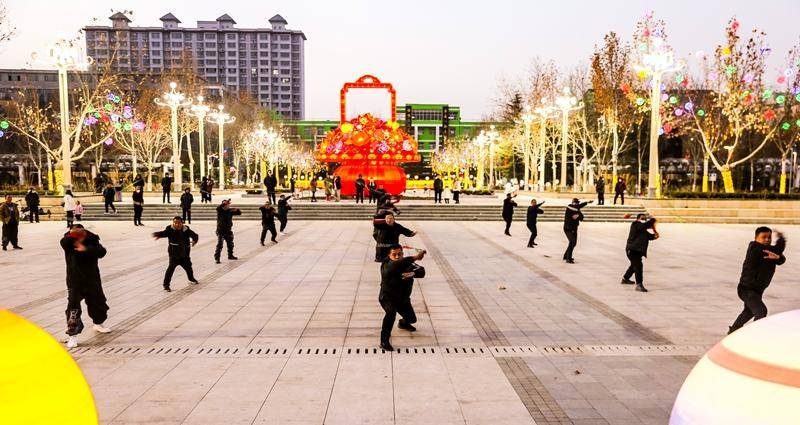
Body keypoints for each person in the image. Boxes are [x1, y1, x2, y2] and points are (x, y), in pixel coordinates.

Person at [728, 227, 787, 334]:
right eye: (763, 237)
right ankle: (755, 335)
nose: (767, 240)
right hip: (746, 289)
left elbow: (781, 259)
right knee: (761, 311)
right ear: (756, 238)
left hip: (757, 290)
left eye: (769, 237)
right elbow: (777, 251)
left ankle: (733, 331)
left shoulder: (768, 250)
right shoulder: (755, 248)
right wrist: (781, 240)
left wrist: (777, 258)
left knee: (748, 312)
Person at [61, 224, 110, 348]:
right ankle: (72, 335)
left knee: (98, 303)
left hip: (92, 279)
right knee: (73, 307)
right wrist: (73, 236)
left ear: (84, 233)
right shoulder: (67, 242)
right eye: (73, 234)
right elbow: (65, 242)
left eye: (79, 235)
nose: (76, 237)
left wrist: (86, 249)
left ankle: (98, 323)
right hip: (75, 280)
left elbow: (102, 252)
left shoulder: (92, 240)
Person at [379, 244, 426, 351]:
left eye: (399, 254)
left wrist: (413, 273)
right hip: (387, 298)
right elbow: (395, 266)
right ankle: (384, 340)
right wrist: (414, 257)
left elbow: (422, 271)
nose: (397, 256)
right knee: (391, 313)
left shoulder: (407, 264)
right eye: (394, 254)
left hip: (403, 300)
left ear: (403, 254)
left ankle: (403, 323)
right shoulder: (386, 264)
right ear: (389, 256)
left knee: (412, 319)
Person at [153, 216, 199, 292]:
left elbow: (195, 235)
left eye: (179, 223)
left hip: (184, 254)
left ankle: (191, 279)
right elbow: (164, 233)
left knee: (188, 267)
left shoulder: (186, 229)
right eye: (175, 223)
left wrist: (194, 240)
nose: (177, 224)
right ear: (173, 223)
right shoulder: (170, 229)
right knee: (170, 269)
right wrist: (158, 235)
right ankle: (166, 285)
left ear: (182, 223)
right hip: (174, 254)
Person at [621, 214, 659, 292]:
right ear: (638, 219)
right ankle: (639, 284)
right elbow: (646, 224)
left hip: (638, 251)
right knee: (638, 265)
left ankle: (625, 279)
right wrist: (652, 220)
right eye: (642, 218)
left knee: (634, 265)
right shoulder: (635, 224)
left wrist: (655, 233)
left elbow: (651, 237)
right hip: (632, 250)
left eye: (644, 218)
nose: (644, 219)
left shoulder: (643, 230)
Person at [563, 198, 592, 263]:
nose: (576, 204)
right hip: (568, 228)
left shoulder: (577, 210)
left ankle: (566, 256)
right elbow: (576, 207)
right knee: (572, 241)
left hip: (574, 229)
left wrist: (578, 215)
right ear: (573, 203)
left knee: (574, 243)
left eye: (577, 203)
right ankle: (568, 258)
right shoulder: (569, 207)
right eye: (575, 203)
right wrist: (586, 202)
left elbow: (582, 217)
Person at [214, 199, 241, 264]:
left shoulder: (229, 211)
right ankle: (217, 258)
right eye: (224, 204)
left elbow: (239, 213)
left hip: (228, 231)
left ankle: (230, 255)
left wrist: (237, 209)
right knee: (220, 245)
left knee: (230, 244)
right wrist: (224, 203)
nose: (226, 205)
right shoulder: (220, 211)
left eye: (227, 204)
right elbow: (218, 208)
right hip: (220, 231)